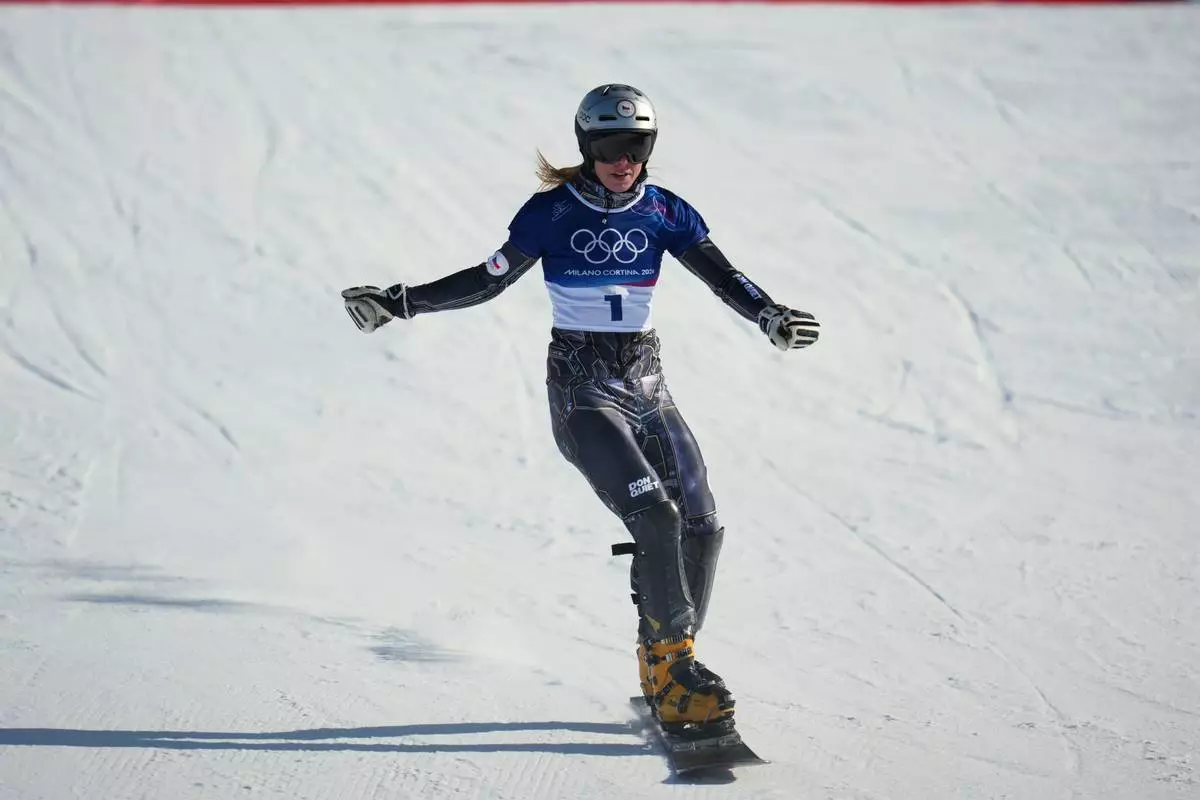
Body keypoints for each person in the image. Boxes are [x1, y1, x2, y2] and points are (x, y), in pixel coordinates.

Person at [342, 84, 819, 733]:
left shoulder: (667, 211)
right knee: (653, 514)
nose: (624, 159)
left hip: (646, 381)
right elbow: (490, 277)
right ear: (586, 146)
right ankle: (673, 668)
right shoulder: (552, 213)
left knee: (700, 522)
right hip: (582, 388)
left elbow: (720, 273)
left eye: (637, 145)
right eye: (609, 145)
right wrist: (401, 302)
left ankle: (668, 660)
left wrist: (769, 313)